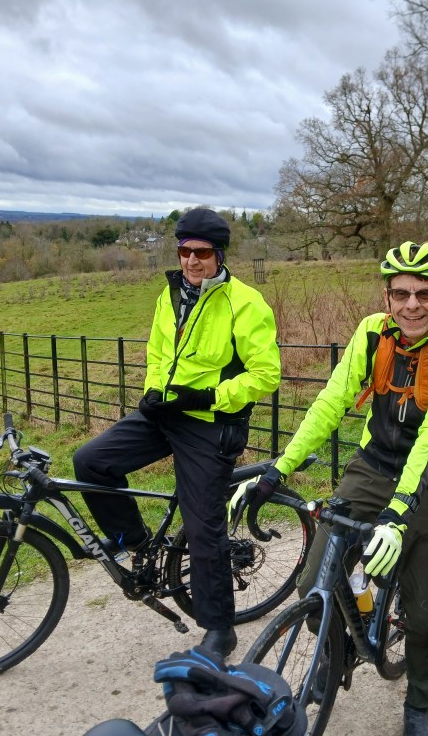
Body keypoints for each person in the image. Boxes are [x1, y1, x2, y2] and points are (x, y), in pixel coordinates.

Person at [247, 241, 428, 736]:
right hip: (373, 468)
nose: (412, 305)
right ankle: (337, 648)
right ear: (387, 296)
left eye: (424, 294)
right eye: (401, 294)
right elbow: (332, 400)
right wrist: (279, 467)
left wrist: (399, 514)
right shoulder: (373, 332)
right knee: (315, 583)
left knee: (422, 614)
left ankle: (418, 703)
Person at [72, 207, 280, 657]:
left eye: (201, 252)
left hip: (211, 423)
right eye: (184, 251)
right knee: (90, 462)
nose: (191, 260)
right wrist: (153, 392)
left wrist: (205, 397)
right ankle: (137, 543)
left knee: (203, 527)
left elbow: (266, 375)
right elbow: (157, 352)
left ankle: (220, 630)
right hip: (165, 412)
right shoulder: (169, 295)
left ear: (219, 254)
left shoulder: (246, 303)